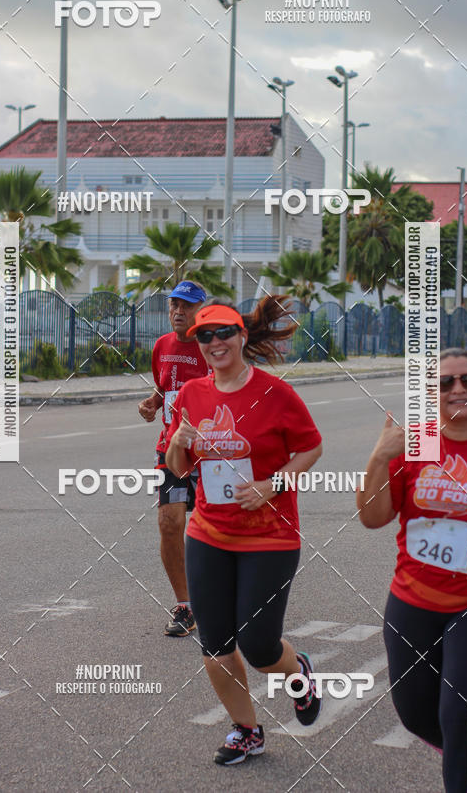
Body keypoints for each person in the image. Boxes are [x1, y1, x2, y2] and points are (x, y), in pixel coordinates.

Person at [166, 297, 324, 766]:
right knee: (216, 647)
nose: (214, 343)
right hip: (209, 534)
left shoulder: (276, 393)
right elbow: (179, 470)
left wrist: (273, 484)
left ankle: (300, 672)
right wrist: (177, 444)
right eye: (204, 336)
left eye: (223, 333)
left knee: (258, 647)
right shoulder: (193, 395)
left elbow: (311, 447)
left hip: (269, 538)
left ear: (241, 336)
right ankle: (246, 731)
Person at [358, 348, 467, 793]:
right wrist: (378, 457)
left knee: (459, 719)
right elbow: (372, 517)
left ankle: (466, 757)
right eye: (444, 383)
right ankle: (465, 756)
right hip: (413, 599)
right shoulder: (409, 447)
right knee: (415, 716)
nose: (458, 389)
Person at [138, 281, 209, 636]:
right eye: (174, 305)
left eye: (187, 306)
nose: (178, 312)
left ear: (200, 310)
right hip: (171, 451)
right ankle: (186, 606)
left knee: (216, 531)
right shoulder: (161, 346)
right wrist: (152, 403)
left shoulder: (212, 346)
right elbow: (164, 388)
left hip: (212, 457)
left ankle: (230, 593)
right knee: (169, 523)